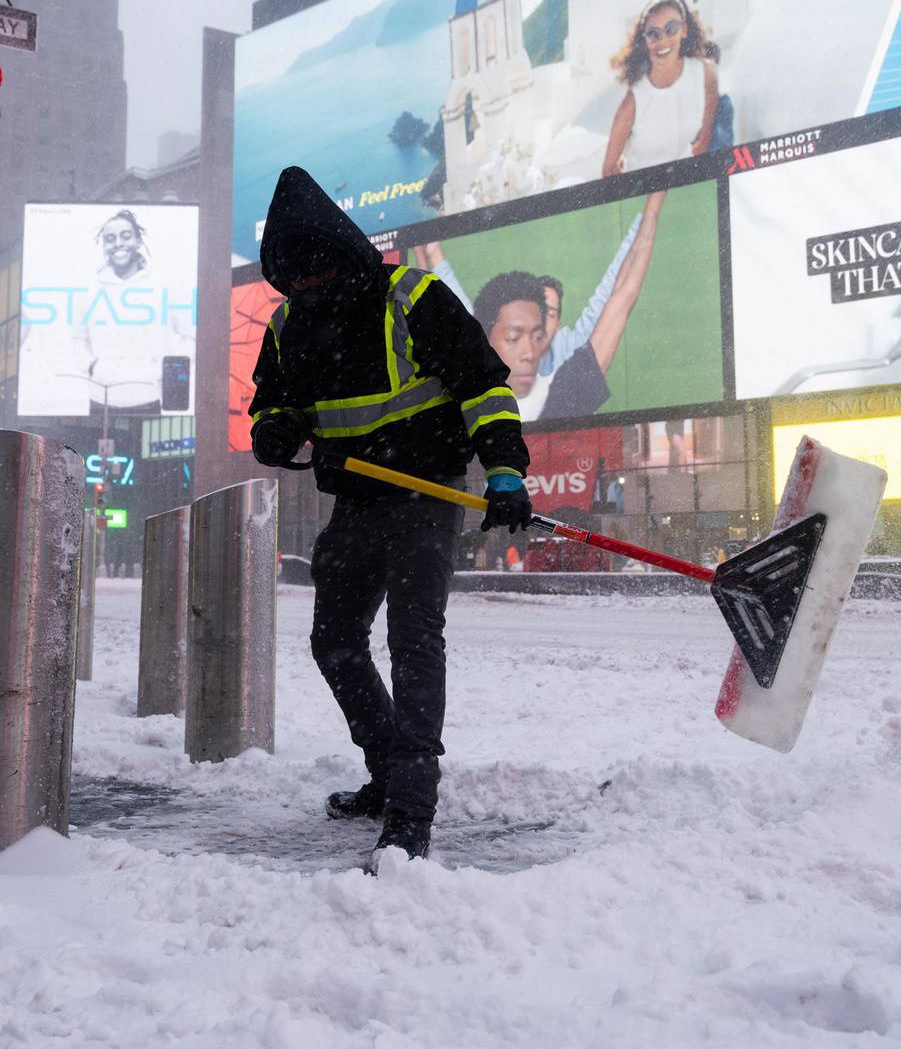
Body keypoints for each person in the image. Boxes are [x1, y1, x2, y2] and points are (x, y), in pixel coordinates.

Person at [248, 165, 533, 870]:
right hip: (358, 498)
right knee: (334, 638)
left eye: (318, 272)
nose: (309, 288)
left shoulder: (413, 297)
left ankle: (411, 809)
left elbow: (484, 386)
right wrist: (275, 430)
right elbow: (274, 404)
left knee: (414, 640)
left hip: (429, 491)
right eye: (296, 278)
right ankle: (384, 770)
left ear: (342, 253)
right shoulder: (288, 326)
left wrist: (503, 469)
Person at [473, 190, 667, 421]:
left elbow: (622, 293)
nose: (529, 354)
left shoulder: (564, 392)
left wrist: (654, 202)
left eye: (537, 336)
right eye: (514, 338)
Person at [414, 212, 642, 380]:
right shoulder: (491, 354)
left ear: (559, 326)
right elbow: (461, 316)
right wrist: (432, 252)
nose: (537, 323)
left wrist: (646, 216)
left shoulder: (569, 353)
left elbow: (612, 292)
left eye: (549, 314)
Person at [70, 209, 194, 414]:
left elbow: (190, 335)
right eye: (110, 238)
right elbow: (78, 339)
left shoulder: (164, 285)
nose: (118, 243)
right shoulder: (89, 290)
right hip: (101, 398)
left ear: (137, 241)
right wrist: (92, 367)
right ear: (104, 246)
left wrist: (163, 371)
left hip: (149, 397)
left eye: (126, 236)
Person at [601, 0, 720, 178]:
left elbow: (703, 144)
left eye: (671, 28)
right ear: (644, 41)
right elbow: (608, 171)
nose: (662, 40)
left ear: (685, 29)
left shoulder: (706, 74)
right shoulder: (633, 103)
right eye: (653, 34)